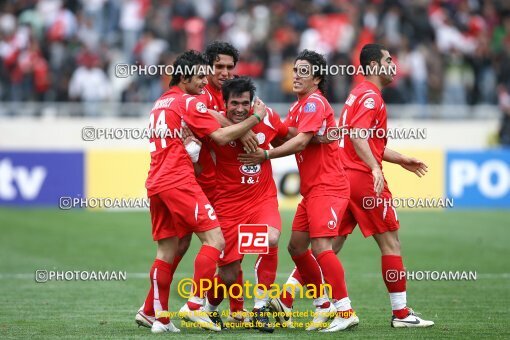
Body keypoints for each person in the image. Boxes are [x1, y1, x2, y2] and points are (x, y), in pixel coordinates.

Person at [273, 43, 434, 329]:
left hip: (342, 177)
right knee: (390, 243)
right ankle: (401, 313)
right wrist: (374, 167)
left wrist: (399, 159)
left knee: (327, 246)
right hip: (361, 178)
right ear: (373, 66)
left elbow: (362, 140)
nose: (393, 65)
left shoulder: (356, 94)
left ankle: (287, 297)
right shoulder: (371, 97)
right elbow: (359, 136)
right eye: (388, 60)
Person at [135, 50, 268, 333]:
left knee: (168, 249)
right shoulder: (189, 102)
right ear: (184, 77)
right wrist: (255, 118)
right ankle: (195, 306)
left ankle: (158, 317)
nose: (204, 82)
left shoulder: (160, 103)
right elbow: (219, 136)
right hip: (180, 182)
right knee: (216, 240)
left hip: (156, 182)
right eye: (199, 77)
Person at [238, 50, 359, 332]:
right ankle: (322, 306)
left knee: (322, 247)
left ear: (316, 78)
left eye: (303, 71)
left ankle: (345, 310)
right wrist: (259, 117)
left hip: (329, 187)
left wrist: (266, 155)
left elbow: (301, 141)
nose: (296, 75)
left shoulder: (314, 102)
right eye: (294, 70)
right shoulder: (299, 106)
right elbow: (291, 132)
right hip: (313, 190)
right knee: (296, 247)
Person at [168, 41, 259, 326]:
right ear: (206, 69)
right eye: (219, 66)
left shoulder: (232, 95)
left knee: (231, 254)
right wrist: (239, 129)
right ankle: (168, 306)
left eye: (230, 67)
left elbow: (231, 119)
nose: (225, 72)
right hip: (199, 184)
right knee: (182, 246)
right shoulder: (199, 94)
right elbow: (212, 121)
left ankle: (229, 308)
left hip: (224, 188)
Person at [202, 77, 293, 332]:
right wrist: (243, 128)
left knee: (271, 238)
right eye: (234, 104)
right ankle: (209, 311)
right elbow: (202, 113)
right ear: (225, 104)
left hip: (260, 199)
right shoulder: (216, 120)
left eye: (245, 103)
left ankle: (260, 307)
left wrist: (314, 136)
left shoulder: (269, 116)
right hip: (228, 206)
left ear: (253, 103)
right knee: (228, 276)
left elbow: (287, 139)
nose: (240, 108)